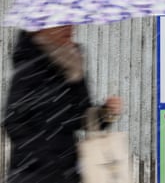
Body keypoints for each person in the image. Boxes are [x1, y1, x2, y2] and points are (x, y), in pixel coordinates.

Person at [3, 25, 122, 183]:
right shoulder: (29, 63)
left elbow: (82, 116)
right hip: (33, 174)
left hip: (66, 171)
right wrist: (43, 157)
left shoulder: (73, 65)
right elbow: (13, 120)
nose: (69, 27)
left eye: (70, 22)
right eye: (61, 24)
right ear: (42, 28)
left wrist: (106, 113)